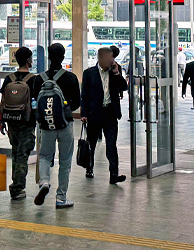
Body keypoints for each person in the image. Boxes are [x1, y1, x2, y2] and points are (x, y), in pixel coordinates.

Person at [32, 42, 80, 209]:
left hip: (46, 125)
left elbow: (35, 102)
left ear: (49, 57)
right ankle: (61, 198)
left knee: (45, 156)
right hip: (65, 124)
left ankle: (44, 182)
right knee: (65, 161)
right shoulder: (71, 77)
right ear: (63, 56)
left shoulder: (39, 79)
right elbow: (76, 103)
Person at [80, 46, 128, 184]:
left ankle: (114, 174)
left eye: (112, 57)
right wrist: (83, 113)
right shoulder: (89, 73)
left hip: (110, 113)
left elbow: (124, 87)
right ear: (100, 58)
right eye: (108, 57)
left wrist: (117, 73)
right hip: (94, 113)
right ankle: (89, 168)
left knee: (111, 145)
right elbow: (85, 95)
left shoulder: (115, 71)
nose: (111, 60)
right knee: (92, 143)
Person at [0, 47, 38, 200]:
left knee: (16, 153)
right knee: (22, 155)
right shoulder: (34, 79)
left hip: (11, 121)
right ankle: (17, 187)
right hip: (27, 122)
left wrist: (2, 121)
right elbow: (35, 103)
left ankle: (16, 184)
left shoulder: (9, 78)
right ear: (29, 60)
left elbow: (2, 101)